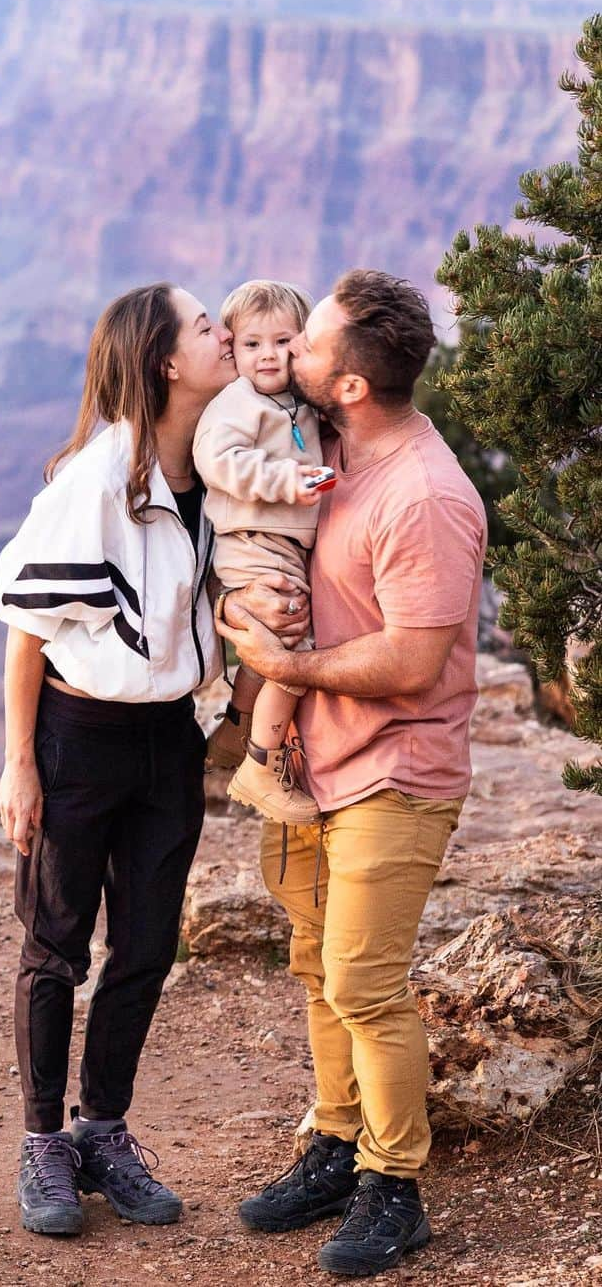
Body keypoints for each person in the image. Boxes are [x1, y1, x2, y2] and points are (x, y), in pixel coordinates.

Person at [0, 282, 298, 1238]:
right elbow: (28, 629)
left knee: (148, 947)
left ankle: (103, 1130)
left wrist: (237, 710)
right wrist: (20, 766)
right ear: (167, 363)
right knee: (55, 944)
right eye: (208, 326)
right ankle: (45, 1143)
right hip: (78, 739)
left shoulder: (214, 475)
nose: (225, 336)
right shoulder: (93, 485)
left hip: (167, 739)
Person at [215, 269, 486, 1278]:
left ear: (353, 385)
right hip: (314, 765)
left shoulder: (424, 496)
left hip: (396, 775)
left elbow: (413, 660)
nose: (292, 353)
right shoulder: (326, 448)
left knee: (367, 985)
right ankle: (334, 1141)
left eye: (313, 344)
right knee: (316, 968)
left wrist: (286, 668)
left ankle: (394, 1187)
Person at [193, 279, 327, 824]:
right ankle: (261, 765)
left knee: (266, 645)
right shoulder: (237, 402)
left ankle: (234, 727)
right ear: (233, 347)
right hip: (253, 542)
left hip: (282, 544)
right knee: (294, 650)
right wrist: (285, 482)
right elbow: (217, 461)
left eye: (281, 341)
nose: (267, 355)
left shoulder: (298, 400)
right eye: (252, 344)